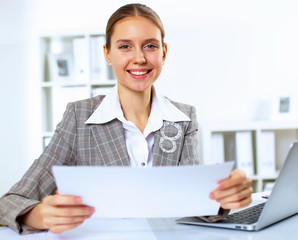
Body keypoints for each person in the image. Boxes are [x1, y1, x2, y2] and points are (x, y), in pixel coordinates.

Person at [0, 3, 253, 234]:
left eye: (150, 45)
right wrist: (41, 215)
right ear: (107, 54)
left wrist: (223, 198)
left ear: (163, 52)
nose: (140, 58)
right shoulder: (79, 116)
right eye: (124, 46)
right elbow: (9, 203)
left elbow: (192, 203)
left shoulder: (184, 117)